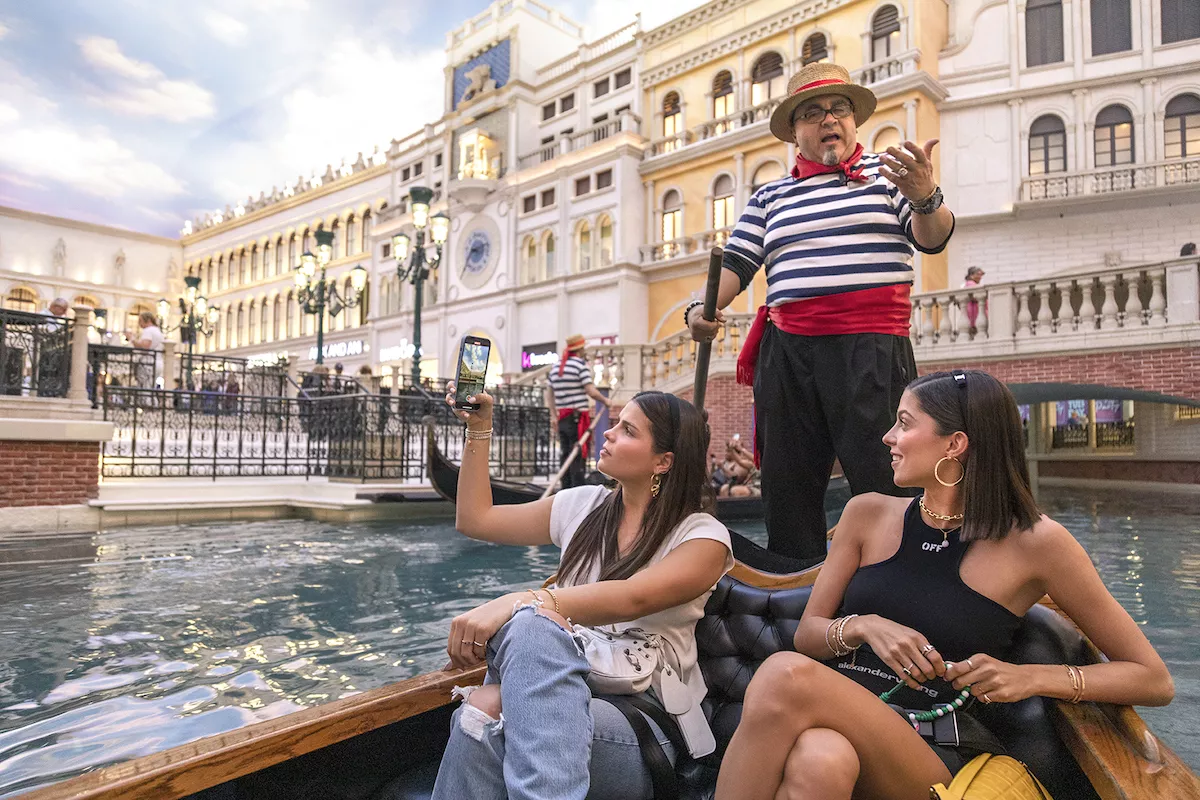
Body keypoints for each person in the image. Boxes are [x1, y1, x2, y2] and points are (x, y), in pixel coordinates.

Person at [714, 370, 1174, 799]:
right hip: (837, 716)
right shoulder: (865, 514)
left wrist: (1031, 676)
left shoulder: (1039, 543)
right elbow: (808, 636)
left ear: (954, 444)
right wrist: (864, 625)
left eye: (904, 423)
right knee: (820, 760)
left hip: (932, 741)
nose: (888, 437)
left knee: (784, 674)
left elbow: (1152, 679)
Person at [687, 62, 955, 561]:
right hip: (788, 356)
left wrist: (924, 196)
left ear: (853, 121)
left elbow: (933, 238)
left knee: (887, 477)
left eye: (839, 109)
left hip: (872, 350)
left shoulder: (889, 177)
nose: (828, 119)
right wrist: (698, 311)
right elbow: (736, 265)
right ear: (795, 131)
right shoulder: (769, 197)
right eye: (812, 112)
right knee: (787, 485)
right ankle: (796, 583)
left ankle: (897, 577)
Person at [432, 385, 733, 800]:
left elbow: (633, 597)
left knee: (531, 628)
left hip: (644, 723)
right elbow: (475, 519)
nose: (608, 432)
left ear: (663, 461)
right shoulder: (583, 506)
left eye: (627, 430)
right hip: (553, 698)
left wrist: (522, 601)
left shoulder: (703, 537)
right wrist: (479, 428)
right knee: (483, 708)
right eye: (617, 424)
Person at [546, 334, 612, 489]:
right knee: (577, 454)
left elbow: (549, 394)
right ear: (580, 349)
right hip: (576, 418)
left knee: (565, 453)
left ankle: (565, 487)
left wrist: (553, 416)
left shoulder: (556, 367)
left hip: (563, 418)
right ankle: (577, 489)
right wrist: (605, 401)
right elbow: (590, 391)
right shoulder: (580, 365)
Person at [130, 311, 165, 388]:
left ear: (148, 320)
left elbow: (145, 346)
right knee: (151, 387)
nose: (139, 324)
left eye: (140, 321)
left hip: (148, 363)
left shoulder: (148, 330)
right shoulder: (158, 331)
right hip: (158, 361)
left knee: (145, 387)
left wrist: (132, 340)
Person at [962, 267, 984, 332]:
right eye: (978, 274)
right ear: (971, 275)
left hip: (976, 314)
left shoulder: (973, 284)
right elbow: (976, 296)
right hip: (974, 314)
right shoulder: (970, 283)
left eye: (981, 275)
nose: (980, 277)